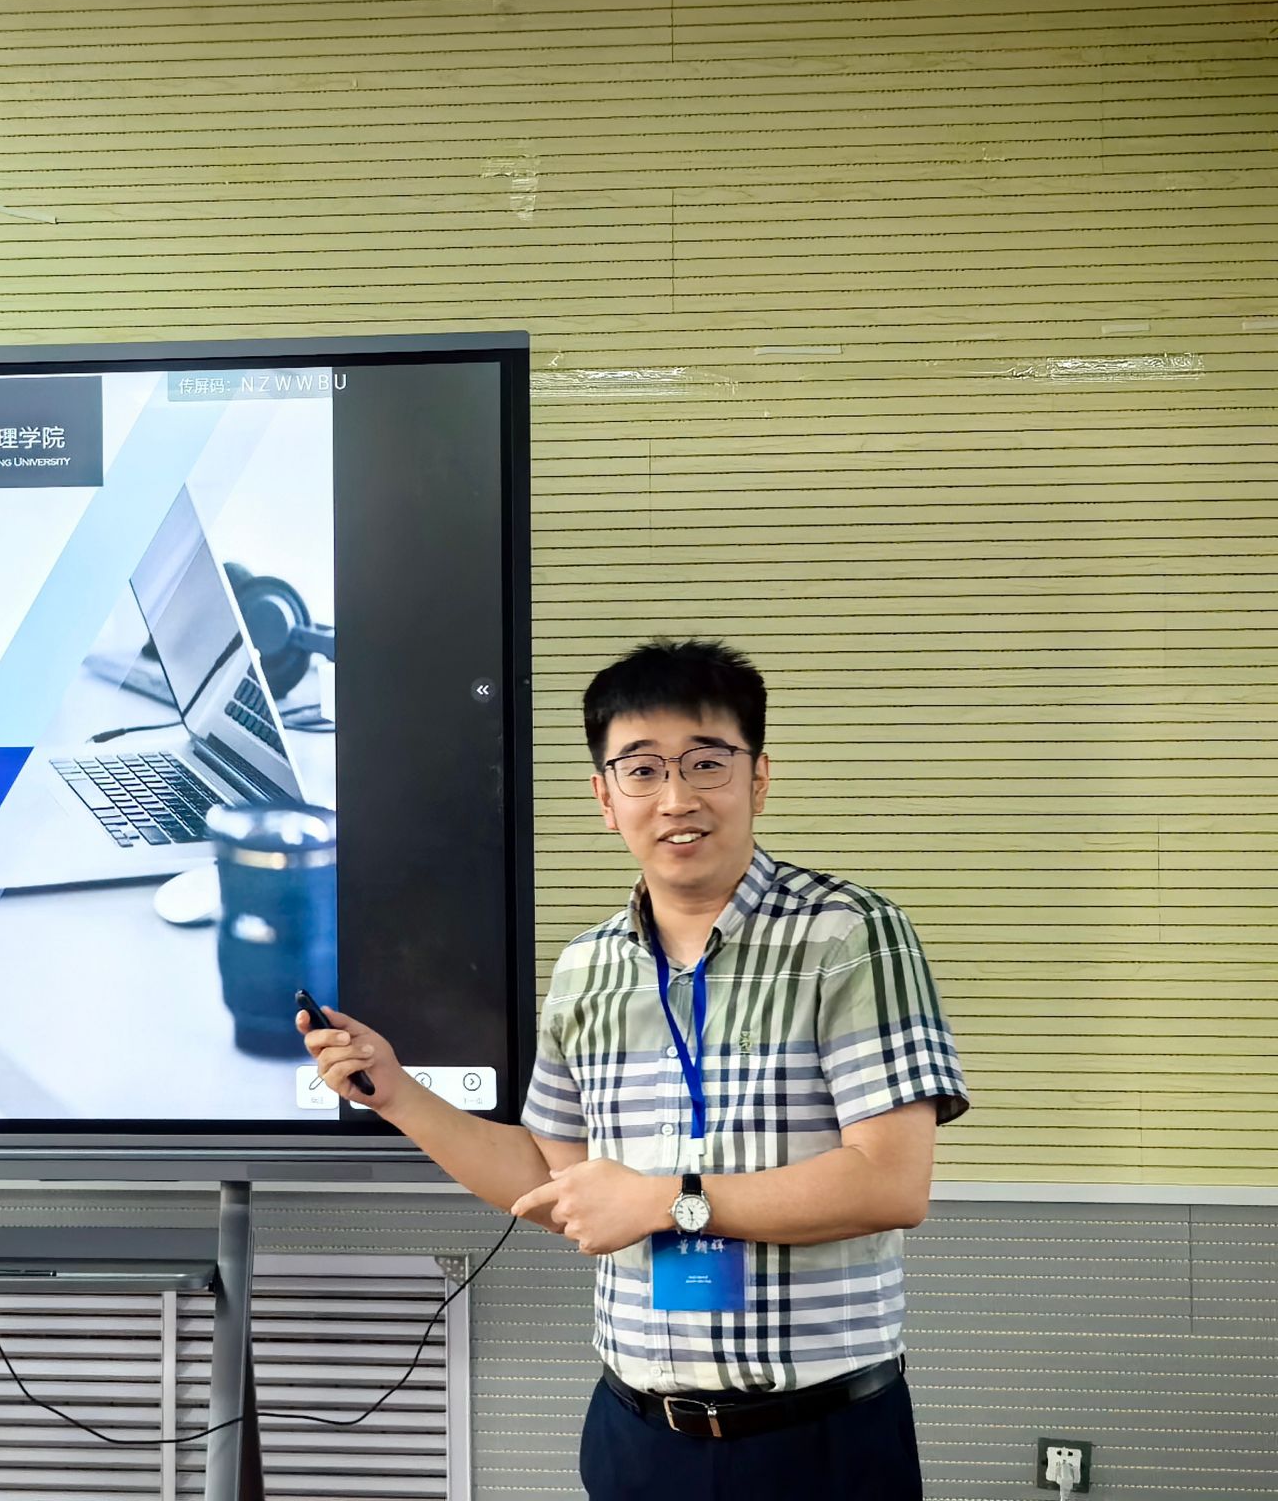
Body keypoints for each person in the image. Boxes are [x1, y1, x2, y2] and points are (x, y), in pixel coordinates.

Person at [298, 638, 968, 1501]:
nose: (677, 798)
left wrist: (666, 1202)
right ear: (605, 799)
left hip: (816, 1439)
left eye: (707, 763)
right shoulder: (588, 969)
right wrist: (397, 1094)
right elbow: (553, 1180)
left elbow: (890, 1184)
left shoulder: (847, 935)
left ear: (759, 777)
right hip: (637, 1437)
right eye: (642, 770)